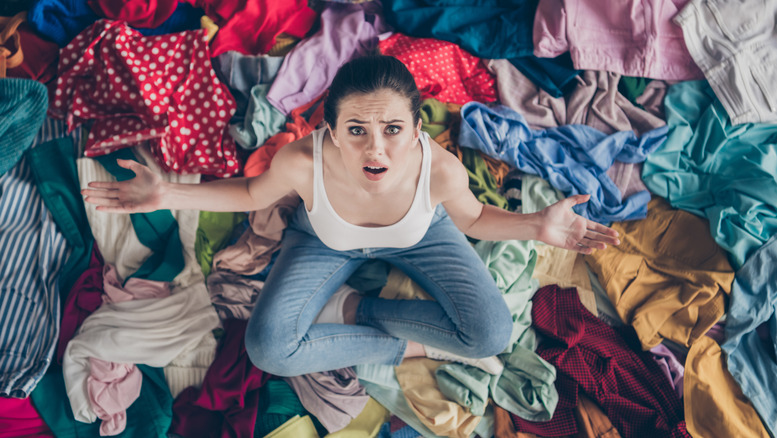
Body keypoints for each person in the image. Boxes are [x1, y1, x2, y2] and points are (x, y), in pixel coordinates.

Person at [82, 55, 620, 377]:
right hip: (322, 241)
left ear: (416, 130)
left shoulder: (441, 170)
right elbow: (249, 194)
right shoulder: (300, 160)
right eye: (356, 130)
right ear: (331, 132)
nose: (375, 150)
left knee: (491, 334)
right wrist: (167, 194)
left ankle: (357, 308)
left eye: (392, 129)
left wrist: (538, 228)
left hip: (420, 237)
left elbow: (474, 219)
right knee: (267, 348)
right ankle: (387, 334)